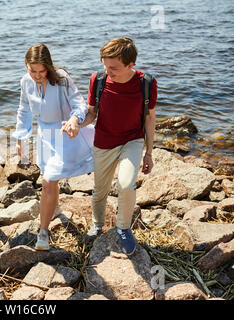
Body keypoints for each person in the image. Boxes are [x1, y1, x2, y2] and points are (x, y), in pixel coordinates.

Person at [13, 43, 95, 251]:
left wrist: (75, 120)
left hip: (66, 134)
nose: (38, 76)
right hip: (44, 135)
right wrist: (21, 139)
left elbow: (80, 104)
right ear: (26, 66)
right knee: (49, 180)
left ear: (49, 67)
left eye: (42, 71)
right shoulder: (25, 81)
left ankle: (43, 232)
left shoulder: (61, 79)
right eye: (33, 71)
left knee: (49, 181)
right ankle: (53, 208)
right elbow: (24, 110)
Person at [82, 37, 158, 255]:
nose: (108, 71)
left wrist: (149, 153)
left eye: (113, 67)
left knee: (126, 184)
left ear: (130, 65)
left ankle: (123, 227)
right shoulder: (98, 80)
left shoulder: (147, 83)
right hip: (104, 141)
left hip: (132, 140)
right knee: (100, 190)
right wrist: (77, 124)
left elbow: (149, 118)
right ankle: (97, 224)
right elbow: (91, 113)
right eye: (105, 65)